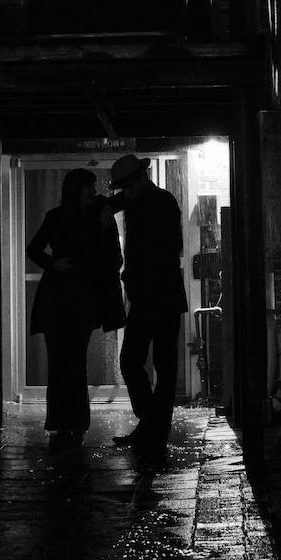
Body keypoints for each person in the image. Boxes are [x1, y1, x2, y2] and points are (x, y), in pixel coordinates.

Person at [27, 168, 124, 449]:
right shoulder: (76, 217)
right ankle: (72, 423)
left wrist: (53, 264)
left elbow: (120, 201)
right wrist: (54, 264)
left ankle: (64, 422)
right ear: (76, 190)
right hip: (67, 295)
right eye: (88, 188)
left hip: (66, 293)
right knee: (66, 359)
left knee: (66, 359)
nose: (93, 192)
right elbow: (34, 249)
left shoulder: (79, 214)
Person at [106, 153, 188, 459]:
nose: (124, 193)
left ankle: (153, 425)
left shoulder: (160, 203)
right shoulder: (141, 200)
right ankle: (152, 423)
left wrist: (134, 278)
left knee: (156, 366)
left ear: (139, 180)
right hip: (154, 297)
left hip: (159, 297)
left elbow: (166, 249)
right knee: (138, 362)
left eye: (127, 187)